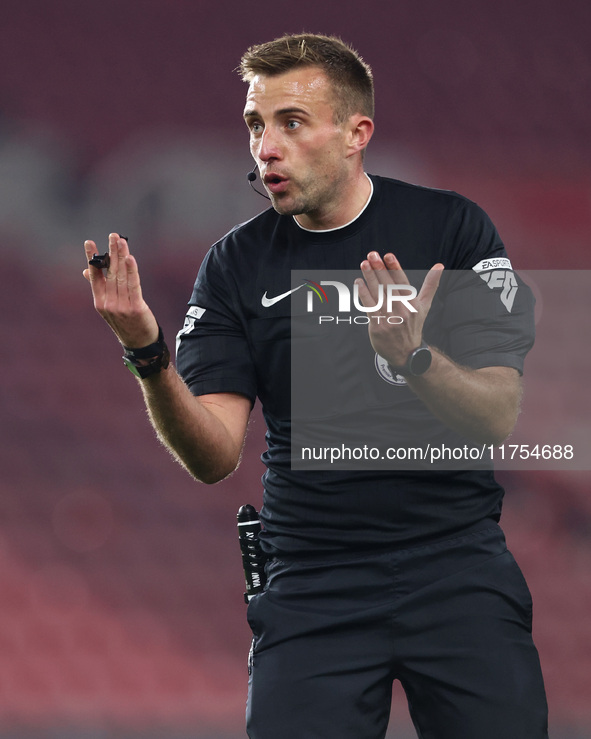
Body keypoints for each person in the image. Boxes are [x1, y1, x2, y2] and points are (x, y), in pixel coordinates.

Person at [84, 33, 548, 739]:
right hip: (314, 581)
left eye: (290, 122)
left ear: (355, 133)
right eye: (254, 125)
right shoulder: (234, 266)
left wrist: (414, 356)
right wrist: (147, 352)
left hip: (456, 568)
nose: (265, 147)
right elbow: (212, 456)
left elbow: (496, 416)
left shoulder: (452, 230)